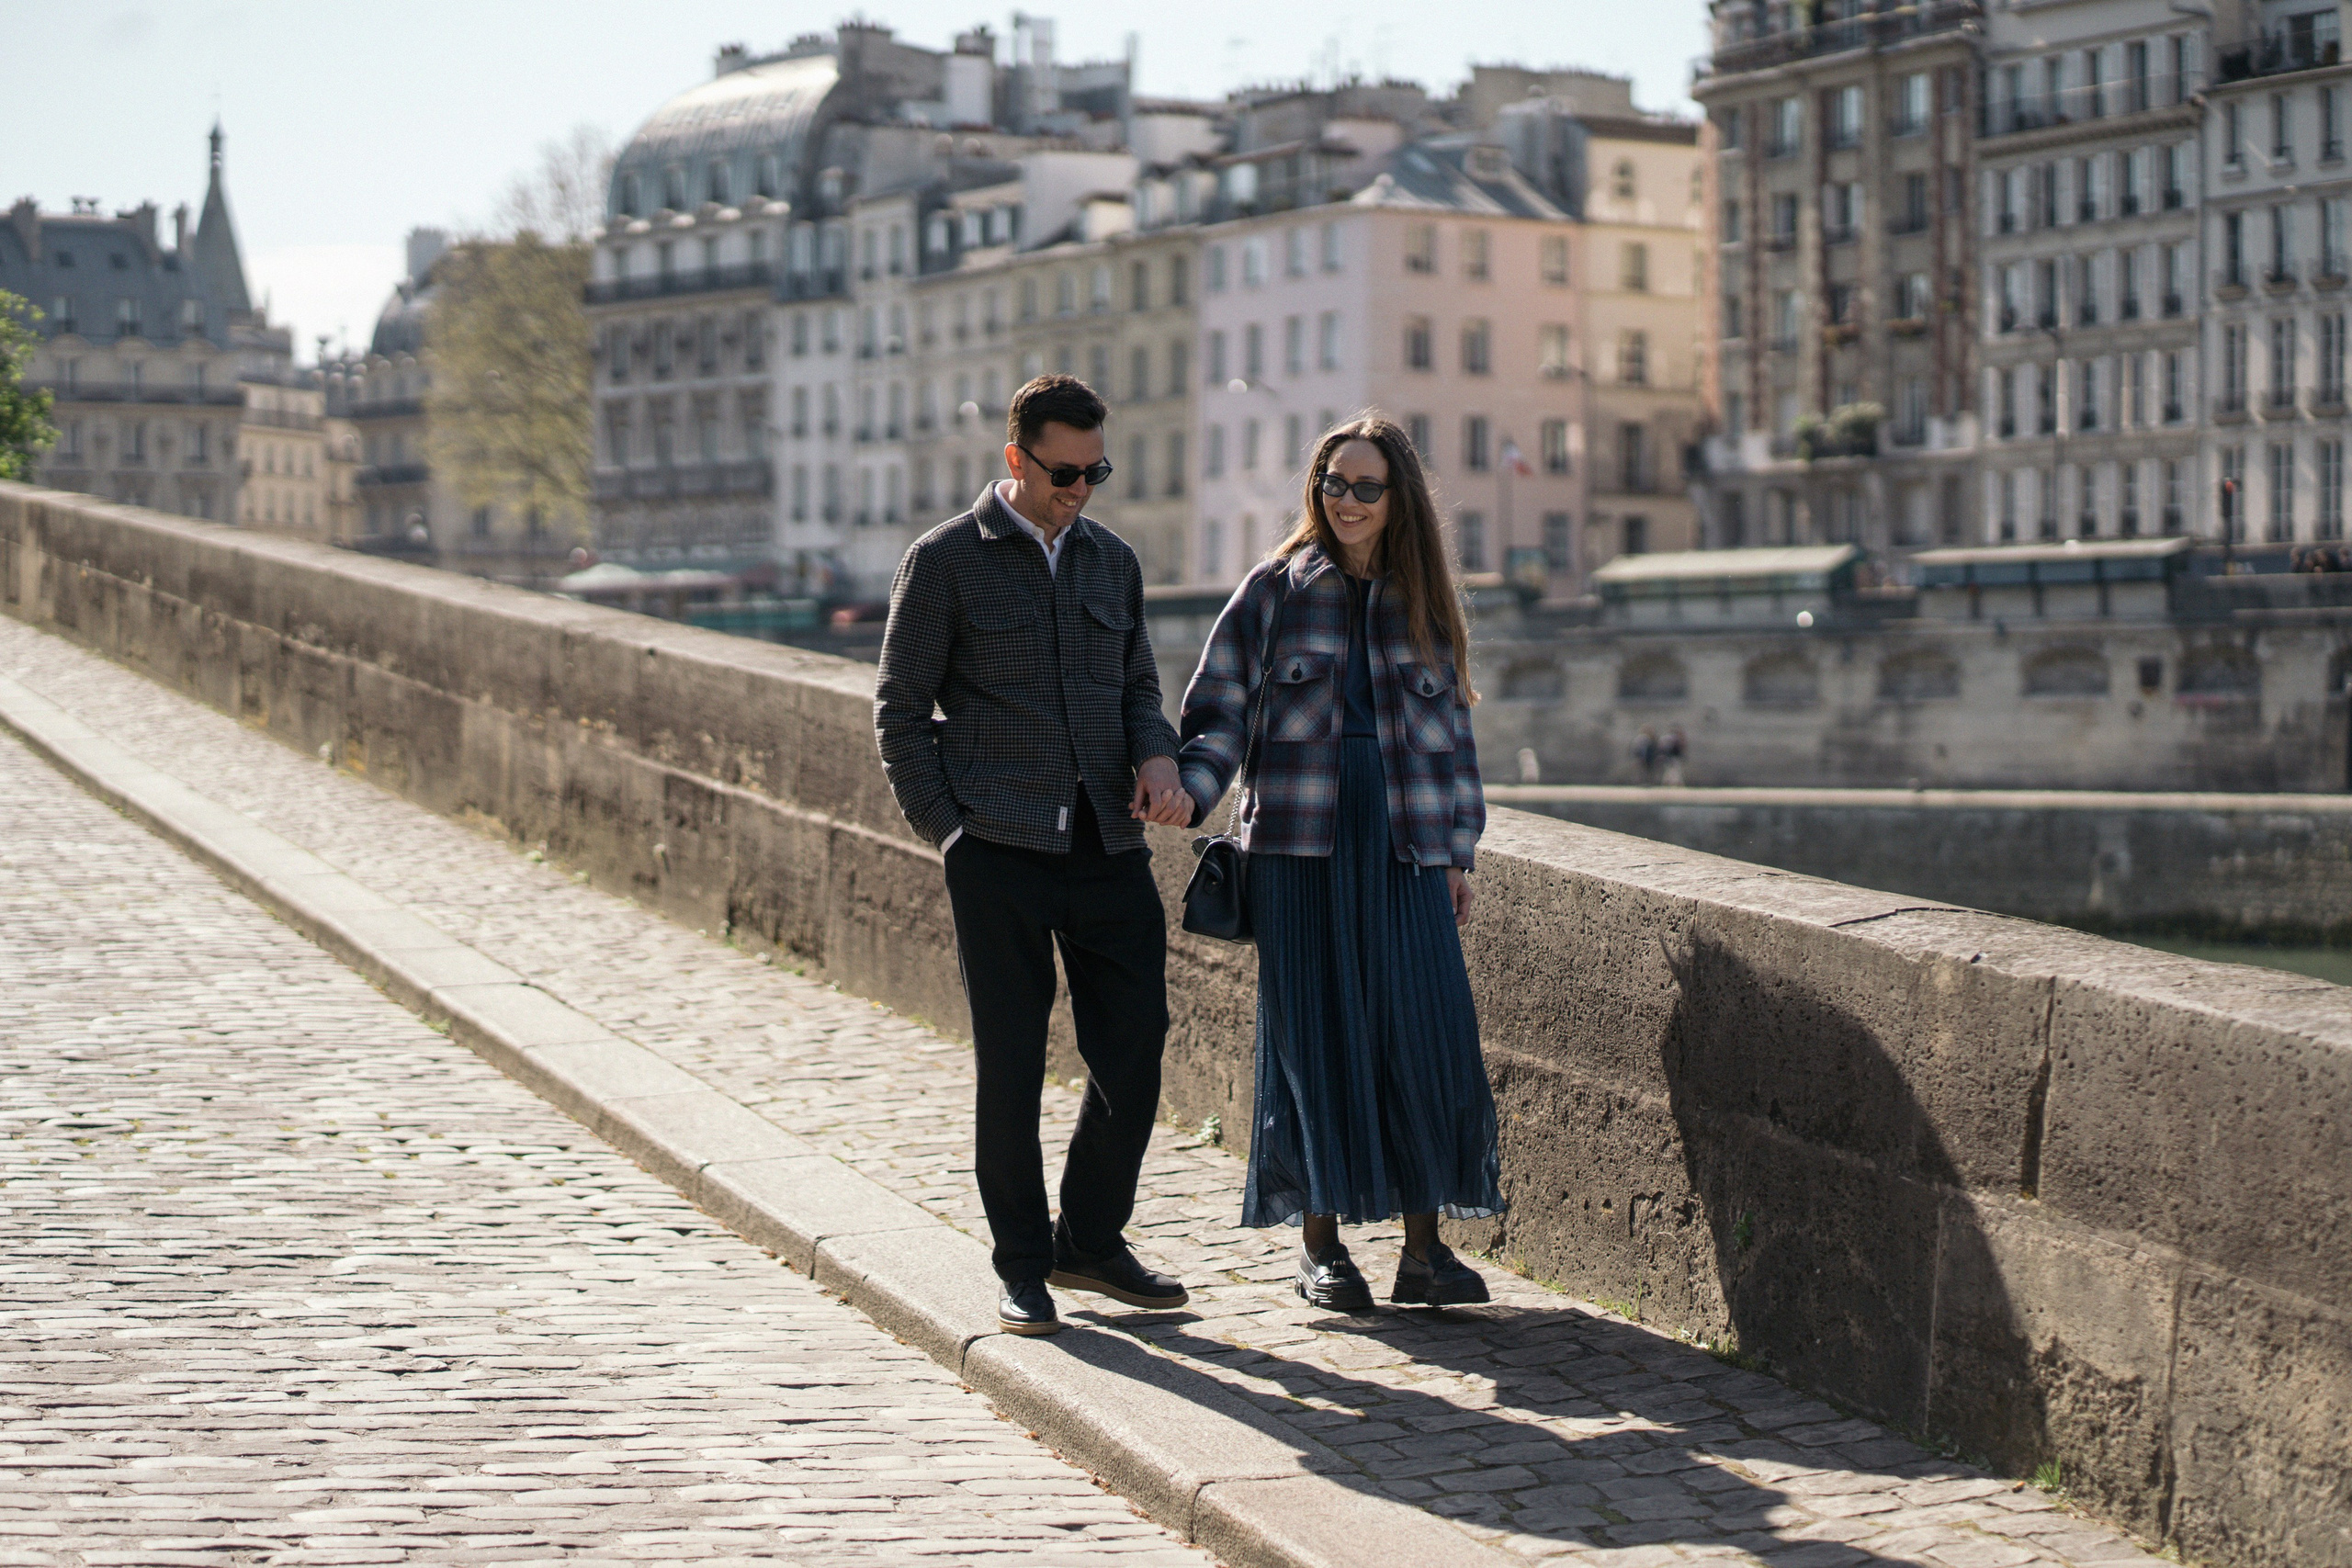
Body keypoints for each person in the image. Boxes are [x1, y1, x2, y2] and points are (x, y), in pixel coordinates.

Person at [874, 375, 1195, 1338]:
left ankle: (1087, 1239)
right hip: (999, 848)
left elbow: (1138, 687)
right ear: (1016, 458)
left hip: (1107, 842)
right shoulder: (942, 562)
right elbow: (899, 715)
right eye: (1063, 473)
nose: (1081, 489)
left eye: (1097, 471)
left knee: (1134, 1049)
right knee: (1011, 1066)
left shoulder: (1112, 562)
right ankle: (1021, 1267)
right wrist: (952, 834)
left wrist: (1158, 755)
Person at [1172, 414, 1503, 1313]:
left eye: (1365, 487)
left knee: (1425, 1039)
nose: (1345, 500)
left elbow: (1453, 741)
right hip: (1298, 845)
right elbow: (1217, 708)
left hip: (1403, 844)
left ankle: (1424, 1252)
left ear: (1398, 500)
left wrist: (1455, 853)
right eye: (1332, 481)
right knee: (1315, 1042)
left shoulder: (1424, 602)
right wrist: (1191, 790)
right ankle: (1320, 1248)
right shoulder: (1274, 590)